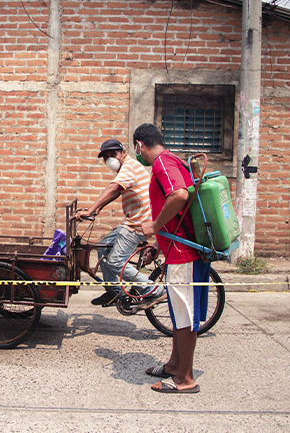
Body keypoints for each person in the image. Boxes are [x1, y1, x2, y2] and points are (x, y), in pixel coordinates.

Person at [133, 123, 210, 394]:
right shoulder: (174, 160)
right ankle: (174, 365)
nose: (137, 154)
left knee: (185, 317)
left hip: (184, 255)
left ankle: (185, 379)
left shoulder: (161, 164)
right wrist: (158, 242)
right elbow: (182, 213)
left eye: (136, 149)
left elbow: (179, 195)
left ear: (139, 145)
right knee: (180, 315)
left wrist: (153, 226)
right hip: (183, 250)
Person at [73, 138, 163, 306]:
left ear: (123, 153)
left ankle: (153, 291)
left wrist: (91, 210)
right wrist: (99, 208)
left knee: (115, 262)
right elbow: (117, 191)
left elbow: (113, 188)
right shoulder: (125, 170)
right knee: (102, 247)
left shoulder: (129, 166)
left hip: (137, 224)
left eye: (113, 154)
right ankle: (114, 291)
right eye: (106, 157)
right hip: (131, 220)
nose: (110, 159)